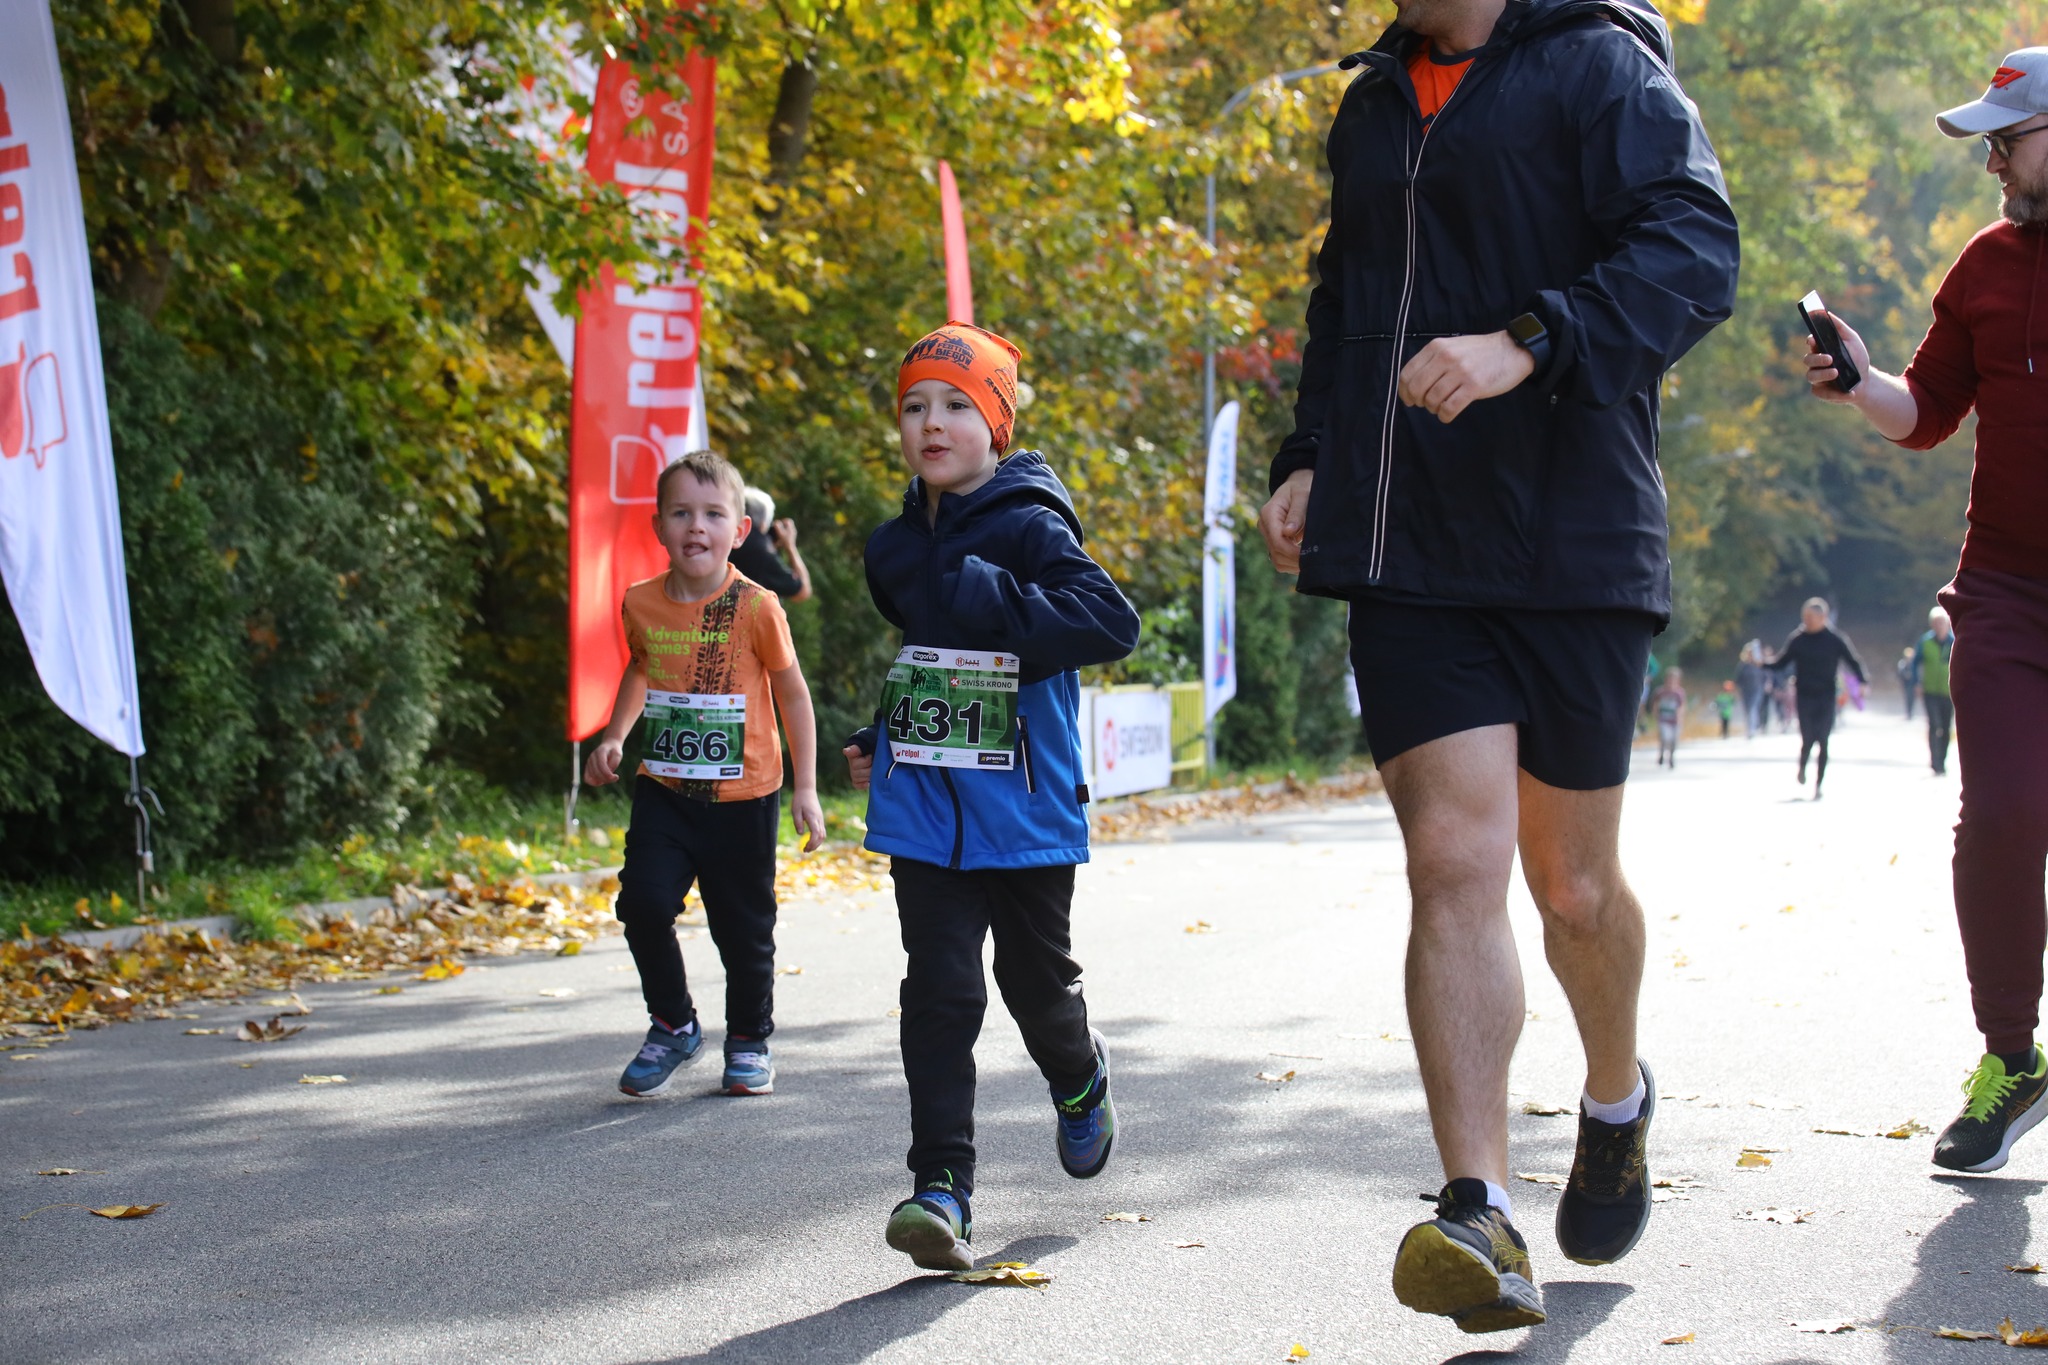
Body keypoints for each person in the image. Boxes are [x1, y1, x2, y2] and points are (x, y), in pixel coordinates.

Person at [1255, 0, 1737, 1334]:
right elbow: (1347, 304)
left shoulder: (1601, 66)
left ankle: (1615, 1096)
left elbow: (1694, 249)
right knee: (1452, 859)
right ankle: (1478, 1209)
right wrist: (1310, 453)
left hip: (1573, 537)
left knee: (1570, 887)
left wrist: (1528, 340)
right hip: (1410, 547)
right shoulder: (1371, 104)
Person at [842, 322, 1140, 1273]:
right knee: (940, 989)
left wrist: (991, 595)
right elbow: (927, 661)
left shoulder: (1029, 523)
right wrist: (880, 734)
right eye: (914, 406)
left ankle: (1080, 1076)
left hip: (1025, 808)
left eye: (956, 405)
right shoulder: (892, 550)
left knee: (1033, 983)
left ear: (997, 425)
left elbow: (1110, 622)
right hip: (925, 808)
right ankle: (942, 1189)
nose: (932, 422)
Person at [1801, 46, 2048, 1173]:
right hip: (2004, 596)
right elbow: (1928, 412)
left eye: (2008, 138)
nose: (1991, 160)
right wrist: (1861, 382)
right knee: (1999, 817)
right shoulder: (1984, 265)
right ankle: (2012, 1057)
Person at [582, 450, 826, 1100]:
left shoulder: (756, 606)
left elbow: (793, 693)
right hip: (665, 788)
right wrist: (614, 736)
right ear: (658, 526)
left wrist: (806, 786)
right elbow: (641, 668)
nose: (697, 526)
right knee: (642, 903)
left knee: (743, 928)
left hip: (745, 794)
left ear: (740, 531)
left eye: (714, 514)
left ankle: (748, 1040)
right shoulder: (640, 602)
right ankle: (673, 1023)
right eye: (682, 513)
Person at [1765, 598, 1866, 799]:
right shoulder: (1798, 639)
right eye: (1805, 617)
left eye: (1811, 617)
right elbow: (1781, 662)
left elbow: (1853, 660)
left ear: (1823, 617)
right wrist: (1761, 663)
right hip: (1804, 695)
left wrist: (1863, 681)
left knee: (1823, 740)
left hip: (1826, 696)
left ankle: (1819, 783)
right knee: (1807, 737)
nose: (1807, 621)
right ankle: (1802, 767)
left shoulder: (1835, 639)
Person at [727, 485, 814, 603]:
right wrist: (790, 546)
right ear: (763, 523)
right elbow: (802, 591)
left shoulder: (724, 535)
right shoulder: (761, 551)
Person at [1918, 607, 1955, 776]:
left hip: (1949, 691)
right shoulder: (1925, 642)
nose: (1939, 626)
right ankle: (1934, 761)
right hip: (1930, 690)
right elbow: (1915, 663)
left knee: (1946, 727)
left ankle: (1942, 761)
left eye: (1942, 622)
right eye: (1936, 623)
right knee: (1934, 724)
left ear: (1947, 624)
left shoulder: (1954, 642)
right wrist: (1916, 683)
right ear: (1932, 625)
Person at [1652, 668, 1685, 767]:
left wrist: (1680, 717)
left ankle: (1671, 757)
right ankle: (1662, 754)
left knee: (1674, 740)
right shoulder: (1660, 691)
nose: (1671, 682)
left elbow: (1682, 706)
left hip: (1675, 720)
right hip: (1663, 719)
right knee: (1664, 737)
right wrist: (1656, 714)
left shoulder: (1679, 693)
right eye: (1669, 679)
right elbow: (1655, 704)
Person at [1736, 642, 1766, 738]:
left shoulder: (1757, 664)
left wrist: (1766, 685)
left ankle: (1752, 729)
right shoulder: (1743, 665)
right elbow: (1738, 679)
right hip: (1745, 691)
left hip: (1757, 690)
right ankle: (1749, 728)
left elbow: (1764, 676)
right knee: (1747, 710)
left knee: (1753, 708)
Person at [1898, 645, 1919, 722]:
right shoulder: (1902, 664)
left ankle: (1911, 713)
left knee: (1913, 699)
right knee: (1908, 699)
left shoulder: (1914, 664)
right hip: (1906, 685)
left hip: (1913, 684)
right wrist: (1906, 676)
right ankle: (1908, 713)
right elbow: (1901, 673)